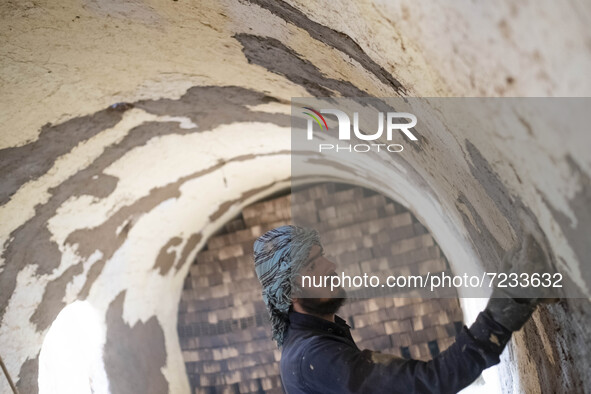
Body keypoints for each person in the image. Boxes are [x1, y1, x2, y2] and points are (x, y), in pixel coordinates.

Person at [253, 225, 555, 394]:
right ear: (289, 291)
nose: (330, 267)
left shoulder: (315, 341)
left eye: (323, 257)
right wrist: (505, 309)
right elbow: (425, 383)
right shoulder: (313, 355)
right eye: (312, 265)